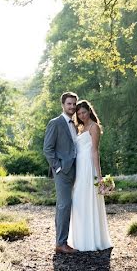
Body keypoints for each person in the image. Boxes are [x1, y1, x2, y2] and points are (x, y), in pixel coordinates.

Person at [68, 100, 112, 251]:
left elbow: (95, 151)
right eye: (79, 114)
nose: (81, 116)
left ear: (89, 111)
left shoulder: (94, 127)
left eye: (84, 112)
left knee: (88, 199)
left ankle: (92, 240)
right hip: (79, 167)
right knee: (78, 201)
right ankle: (80, 238)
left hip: (88, 166)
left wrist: (99, 176)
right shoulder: (80, 127)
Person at [43, 91, 79, 254]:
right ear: (63, 105)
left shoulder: (76, 124)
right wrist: (57, 167)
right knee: (64, 205)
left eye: (74, 104)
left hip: (77, 169)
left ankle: (65, 240)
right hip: (62, 171)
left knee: (68, 205)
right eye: (69, 104)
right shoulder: (55, 123)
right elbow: (47, 149)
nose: (72, 106)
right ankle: (61, 243)